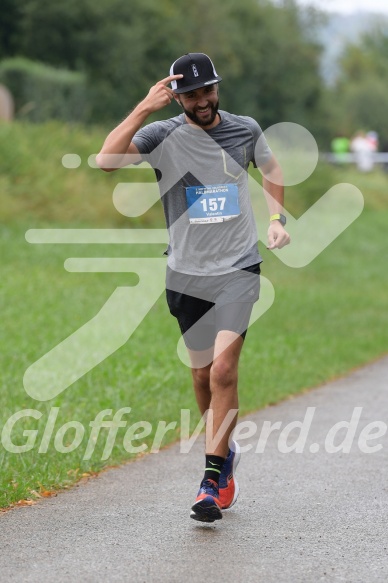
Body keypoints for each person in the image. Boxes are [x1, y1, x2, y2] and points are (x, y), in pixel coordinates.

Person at [97, 53, 290, 523]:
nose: (202, 101)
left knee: (223, 370)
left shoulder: (244, 129)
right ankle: (224, 452)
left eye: (208, 91)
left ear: (216, 90)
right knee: (202, 376)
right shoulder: (161, 135)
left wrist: (277, 219)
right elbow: (106, 161)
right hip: (186, 274)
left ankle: (211, 479)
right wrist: (144, 107)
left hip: (239, 269)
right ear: (177, 96)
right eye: (191, 94)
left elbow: (272, 169)